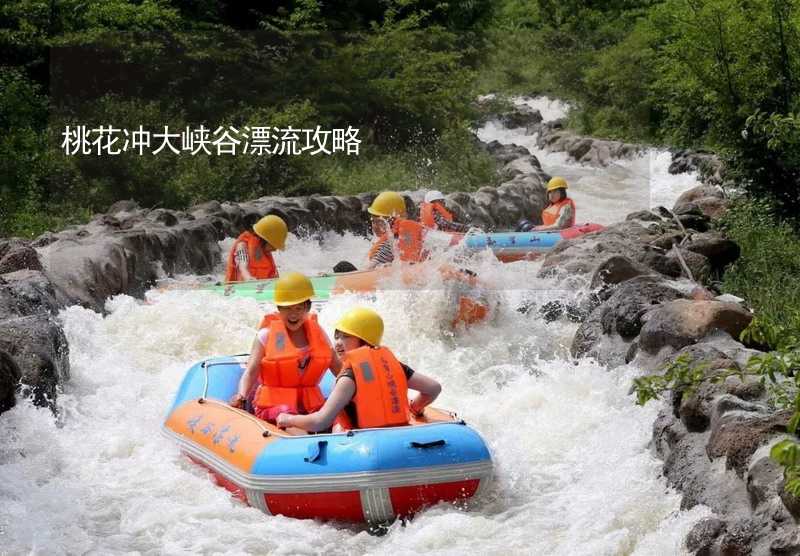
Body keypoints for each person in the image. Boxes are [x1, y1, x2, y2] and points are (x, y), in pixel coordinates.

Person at [276, 307, 441, 433]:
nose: (338, 343)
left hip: (362, 444)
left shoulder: (349, 377)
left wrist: (288, 419)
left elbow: (320, 422)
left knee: (335, 424)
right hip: (398, 435)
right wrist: (416, 408)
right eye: (337, 336)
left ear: (364, 340)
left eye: (346, 337)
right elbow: (433, 388)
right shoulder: (394, 365)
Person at [230, 272, 340, 423]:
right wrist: (241, 395)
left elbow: (337, 367)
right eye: (288, 308)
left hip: (308, 406)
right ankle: (304, 441)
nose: (293, 315)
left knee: (338, 413)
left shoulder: (318, 332)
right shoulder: (265, 335)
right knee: (287, 414)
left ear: (307, 308)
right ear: (279, 308)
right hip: (274, 408)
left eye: (299, 308)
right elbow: (251, 371)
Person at [366, 191, 427, 268]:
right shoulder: (415, 233)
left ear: (385, 221)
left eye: (374, 220)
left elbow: (368, 269)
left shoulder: (389, 244)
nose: (373, 225)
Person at [224, 214, 288, 283]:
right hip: (239, 289)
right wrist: (248, 278)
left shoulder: (265, 252)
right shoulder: (242, 245)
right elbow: (242, 266)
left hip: (262, 289)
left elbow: (274, 277)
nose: (275, 249)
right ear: (264, 239)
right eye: (273, 245)